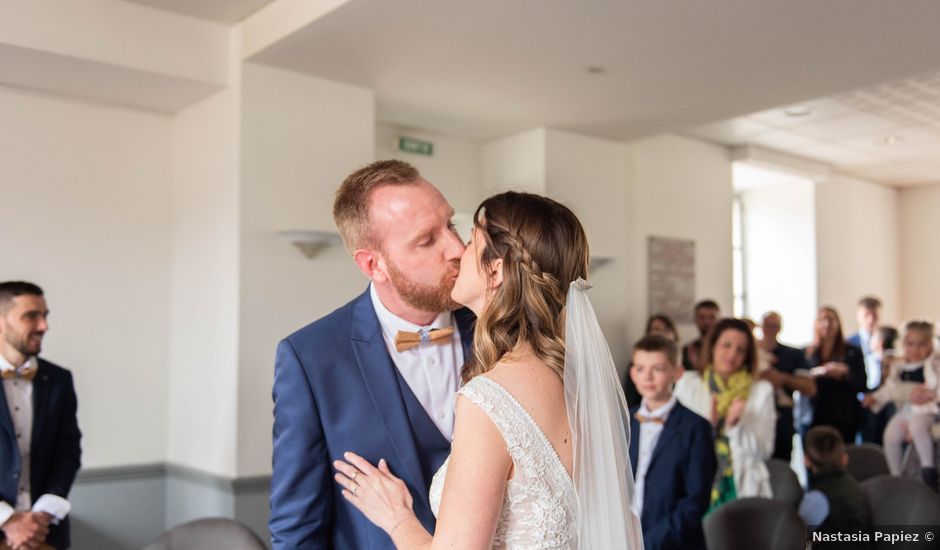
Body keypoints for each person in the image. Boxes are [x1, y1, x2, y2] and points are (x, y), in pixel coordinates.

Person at [333, 192, 643, 549]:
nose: (455, 252)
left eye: (468, 242)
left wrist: (398, 518)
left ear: (494, 269)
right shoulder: (577, 385)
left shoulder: (490, 398)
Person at [268, 161, 475, 549]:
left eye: (450, 224)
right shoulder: (311, 359)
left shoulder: (499, 331)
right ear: (373, 264)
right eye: (427, 240)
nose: (457, 249)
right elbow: (297, 528)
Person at [0, 282, 81, 550]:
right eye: (31, 316)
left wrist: (42, 515)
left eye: (45, 315)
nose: (43, 326)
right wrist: (9, 520)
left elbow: (68, 452)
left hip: (45, 534)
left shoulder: (59, 379)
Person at [674, 318, 776, 508]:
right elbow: (676, 445)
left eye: (740, 350)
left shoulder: (762, 391)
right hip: (695, 486)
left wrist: (736, 426)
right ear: (712, 347)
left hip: (742, 490)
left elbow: (763, 452)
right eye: (726, 345)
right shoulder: (687, 384)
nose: (732, 354)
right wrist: (707, 429)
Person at [629, 334, 714, 550]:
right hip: (626, 537)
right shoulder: (623, 421)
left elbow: (696, 500)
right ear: (632, 374)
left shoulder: (696, 427)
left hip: (674, 541)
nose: (647, 376)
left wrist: (650, 542)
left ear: (677, 373)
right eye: (640, 368)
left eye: (657, 368)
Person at [862, 320, 940, 491]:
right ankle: (896, 474)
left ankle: (929, 468)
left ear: (931, 344)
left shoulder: (934, 364)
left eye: (922, 344)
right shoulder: (899, 367)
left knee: (918, 427)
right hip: (907, 410)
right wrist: (875, 398)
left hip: (926, 410)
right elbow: (890, 389)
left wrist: (930, 396)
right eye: (911, 344)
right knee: (890, 435)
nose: (916, 349)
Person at [758, 312, 816, 462]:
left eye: (774, 326)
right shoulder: (749, 353)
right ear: (761, 327)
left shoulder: (792, 354)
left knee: (781, 464)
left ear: (780, 328)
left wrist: (783, 379)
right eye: (767, 325)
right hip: (756, 418)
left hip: (782, 420)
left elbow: (810, 387)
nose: (770, 330)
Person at [800, 426, 871, 548]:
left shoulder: (816, 498)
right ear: (844, 459)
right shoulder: (854, 486)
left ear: (806, 460)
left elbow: (795, 534)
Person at [805, 307, 867, 445]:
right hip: (816, 412)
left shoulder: (852, 351)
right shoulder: (807, 352)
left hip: (844, 413)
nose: (827, 324)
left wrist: (845, 372)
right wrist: (820, 372)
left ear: (838, 323)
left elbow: (862, 384)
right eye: (823, 320)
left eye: (831, 319)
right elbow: (802, 378)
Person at [848, 296, 892, 444]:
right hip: (859, 398)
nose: (871, 319)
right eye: (867, 315)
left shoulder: (889, 339)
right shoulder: (848, 343)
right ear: (859, 315)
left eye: (875, 315)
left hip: (883, 396)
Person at [682, 300, 720, 373]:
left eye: (712, 317)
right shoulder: (688, 349)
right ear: (695, 320)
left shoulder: (725, 348)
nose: (707, 322)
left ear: (718, 319)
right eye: (702, 317)